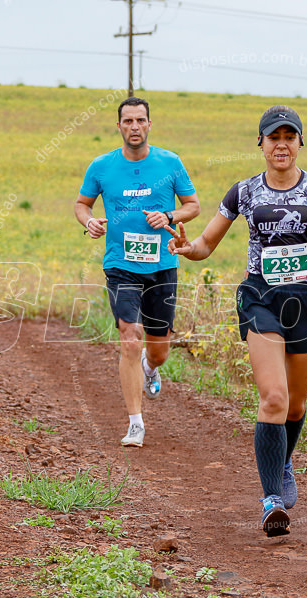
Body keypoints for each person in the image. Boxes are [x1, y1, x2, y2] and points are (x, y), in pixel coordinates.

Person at [167, 105, 307, 536]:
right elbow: (206, 245)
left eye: (290, 136)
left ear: (300, 143)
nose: (281, 144)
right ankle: (271, 501)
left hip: (306, 301)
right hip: (261, 298)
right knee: (273, 398)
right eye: (273, 137)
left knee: (296, 404)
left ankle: (283, 459)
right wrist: (185, 247)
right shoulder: (243, 192)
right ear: (262, 144)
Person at [74, 96, 201, 448]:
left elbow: (193, 205)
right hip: (121, 264)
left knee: (159, 349)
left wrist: (170, 217)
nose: (134, 127)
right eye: (127, 121)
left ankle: (150, 367)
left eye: (140, 121)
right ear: (118, 126)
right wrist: (89, 223)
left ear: (149, 124)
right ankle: (135, 423)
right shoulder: (101, 166)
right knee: (129, 335)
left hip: (162, 265)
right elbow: (82, 204)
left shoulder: (170, 162)